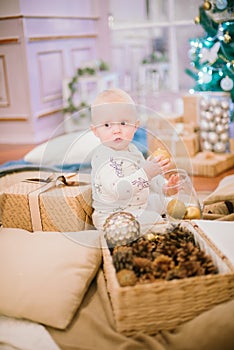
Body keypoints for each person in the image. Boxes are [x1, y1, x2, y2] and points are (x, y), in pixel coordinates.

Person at [90, 88, 177, 232]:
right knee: (154, 219)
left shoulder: (133, 150)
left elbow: (147, 179)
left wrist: (164, 186)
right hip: (113, 215)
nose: (116, 130)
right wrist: (146, 173)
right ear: (95, 131)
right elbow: (119, 190)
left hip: (136, 204)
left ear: (135, 126)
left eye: (123, 123)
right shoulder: (103, 158)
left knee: (163, 201)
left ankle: (170, 208)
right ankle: (161, 226)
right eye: (107, 125)